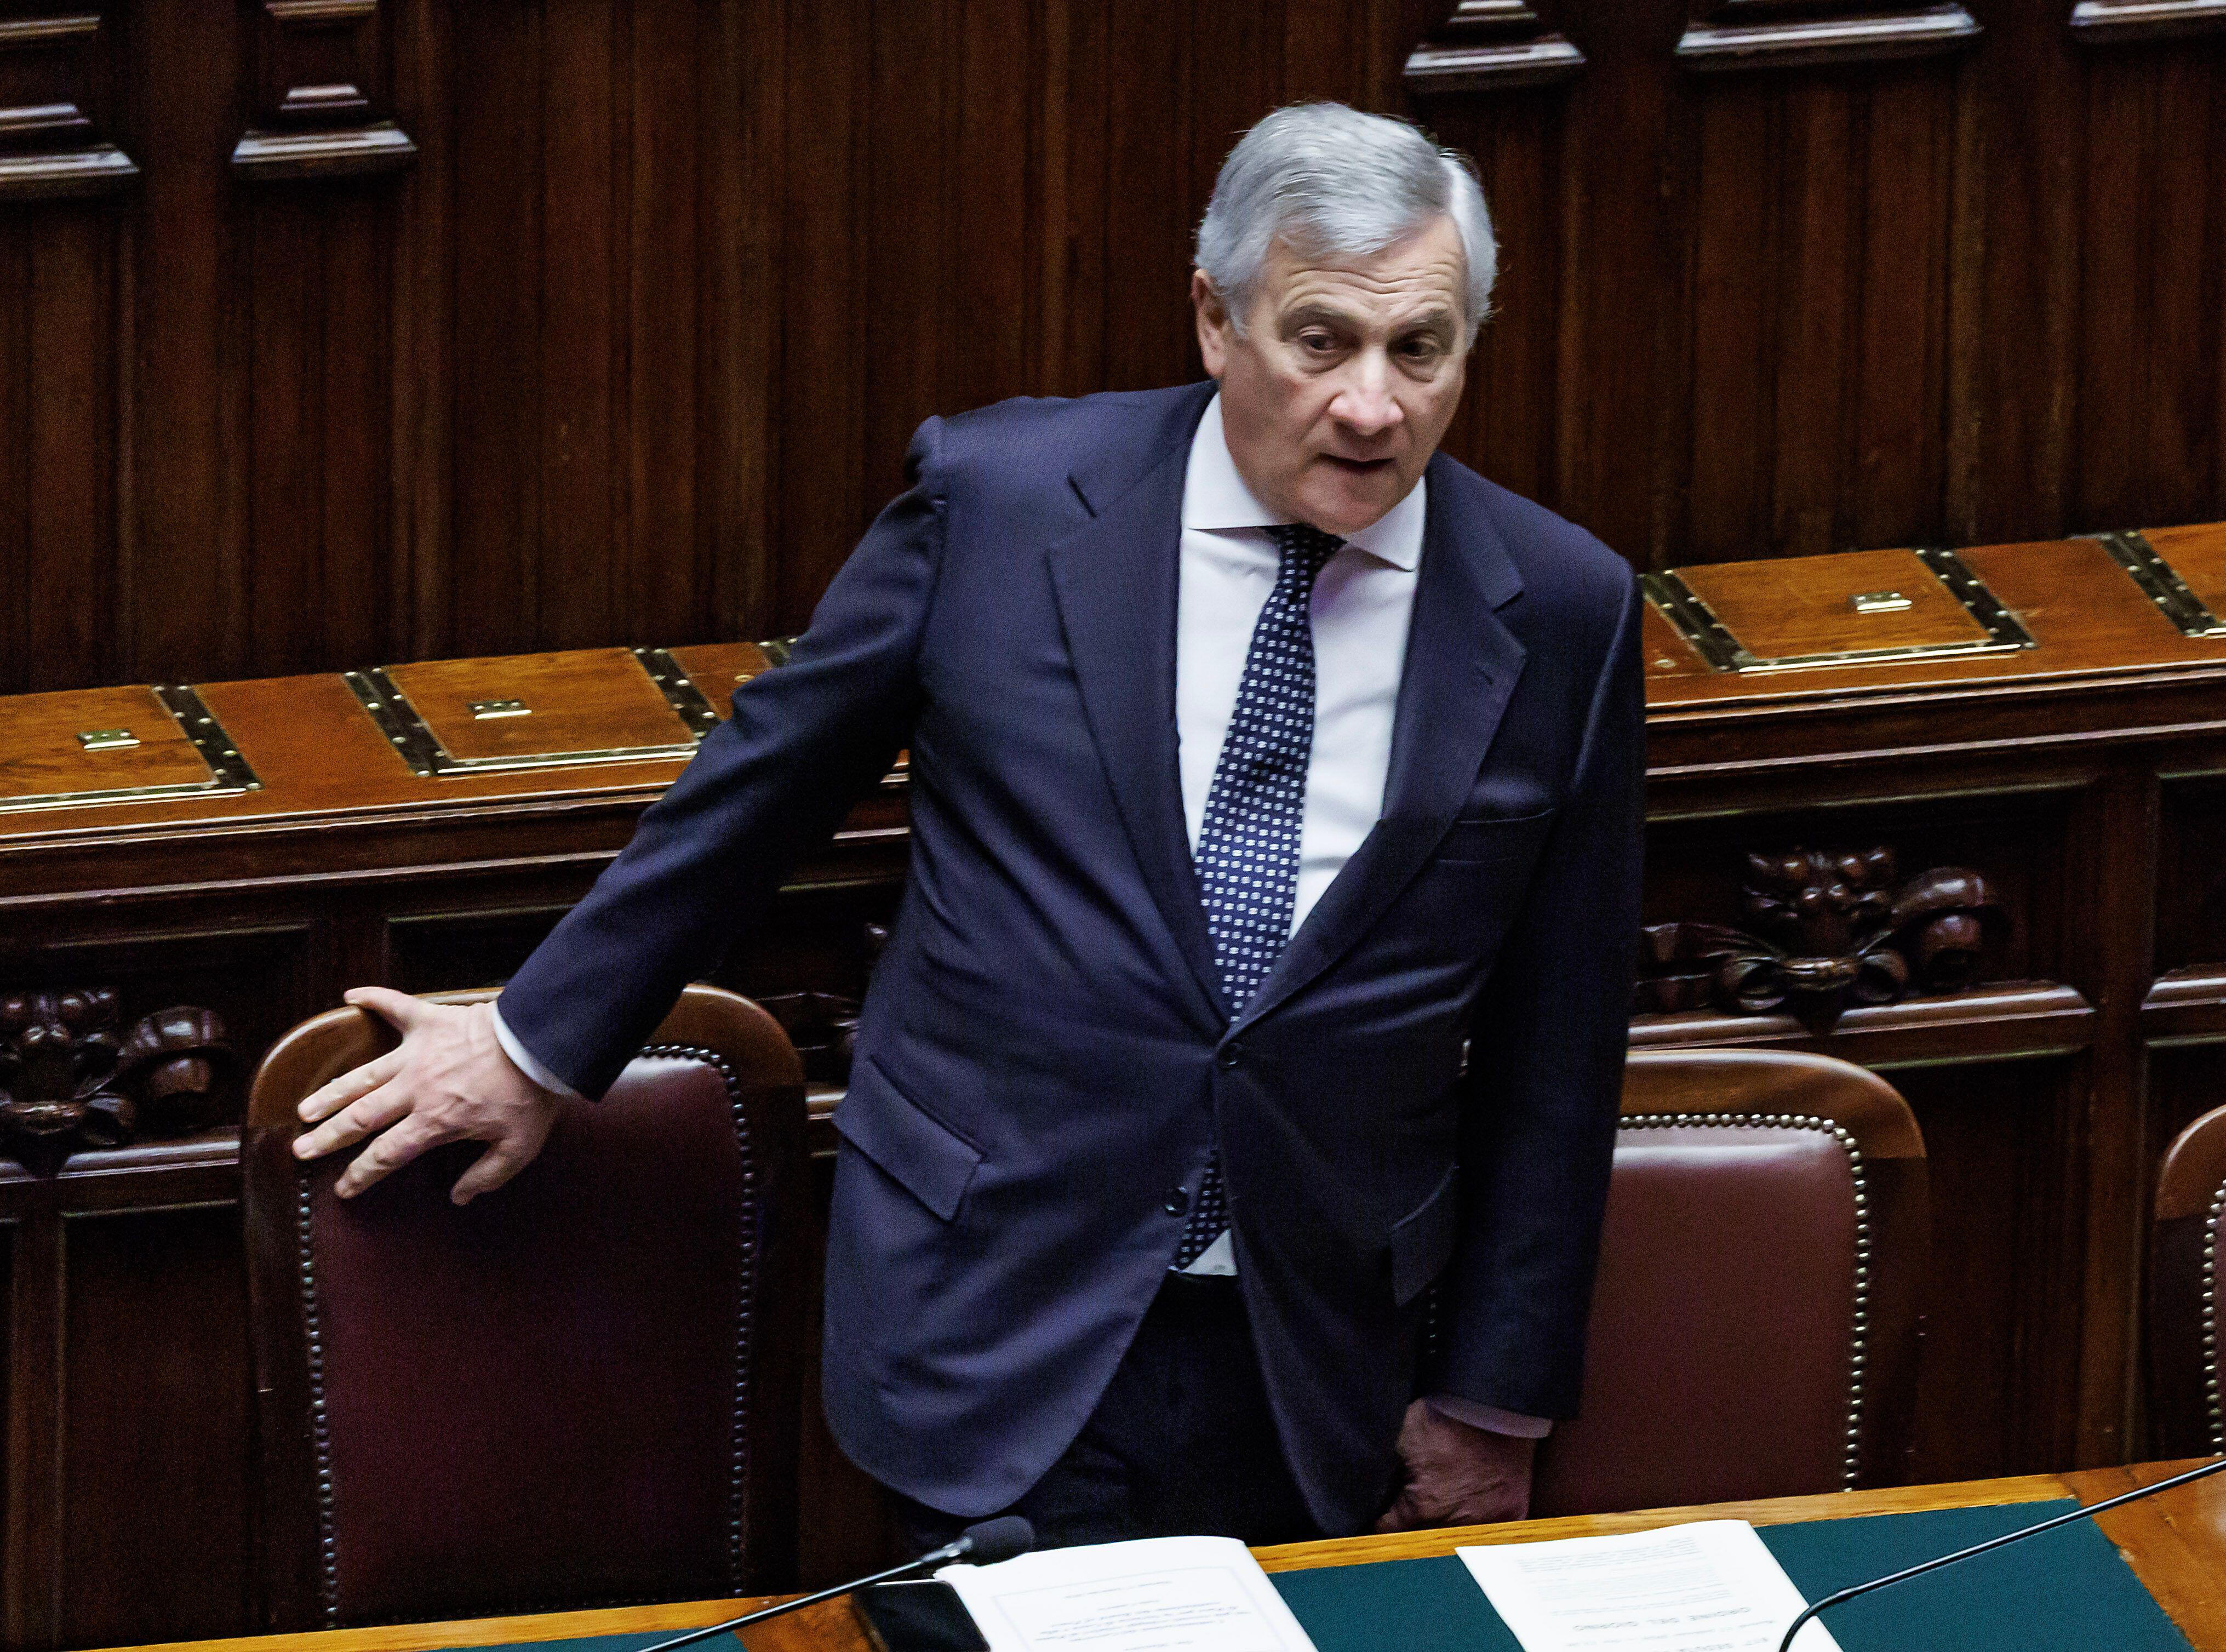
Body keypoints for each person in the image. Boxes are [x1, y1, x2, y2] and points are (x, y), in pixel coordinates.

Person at [290, 102, 1643, 1547]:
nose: (1372, 405)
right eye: (1320, 340)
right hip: (992, 1309)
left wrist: (1493, 1401)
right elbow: (761, 789)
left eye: (1417, 349)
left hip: (1319, 1354)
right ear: (1215, 318)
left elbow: (1558, 1042)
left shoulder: (1557, 610)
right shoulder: (1002, 504)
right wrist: (539, 1039)